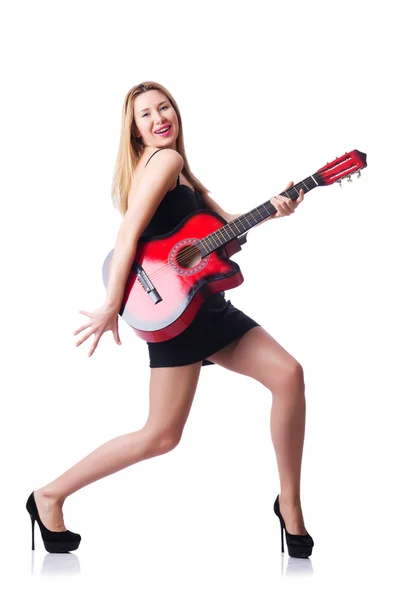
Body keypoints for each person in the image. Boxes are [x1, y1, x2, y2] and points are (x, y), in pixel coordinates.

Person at [26, 81, 314, 558]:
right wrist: (110, 304)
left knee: (288, 376)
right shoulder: (164, 162)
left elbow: (229, 225)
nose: (159, 118)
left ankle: (291, 506)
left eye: (165, 107)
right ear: (135, 132)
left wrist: (278, 208)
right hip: (175, 313)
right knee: (160, 436)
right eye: (146, 115)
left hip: (205, 308)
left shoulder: (184, 175)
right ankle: (48, 496)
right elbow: (127, 236)